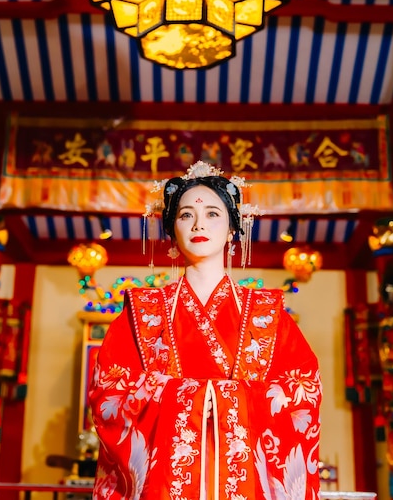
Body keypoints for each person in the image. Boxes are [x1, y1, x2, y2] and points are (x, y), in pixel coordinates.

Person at [89, 161, 322, 500]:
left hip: (245, 485)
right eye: (185, 215)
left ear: (232, 229)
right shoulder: (142, 311)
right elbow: (108, 392)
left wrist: (222, 400)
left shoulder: (266, 313)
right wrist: (197, 399)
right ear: (172, 229)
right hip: (164, 485)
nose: (199, 223)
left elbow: (304, 389)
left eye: (213, 213)